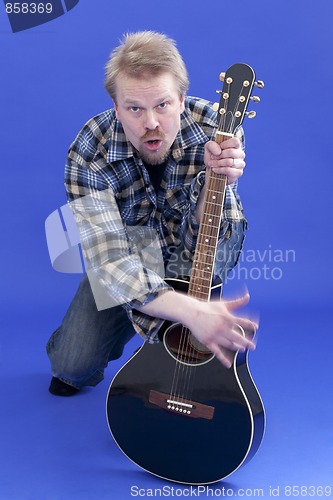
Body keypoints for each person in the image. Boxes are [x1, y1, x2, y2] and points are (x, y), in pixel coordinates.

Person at [46, 31, 257, 397]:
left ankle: (172, 334)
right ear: (116, 107)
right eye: (134, 109)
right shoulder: (87, 152)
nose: (151, 123)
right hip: (126, 252)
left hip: (195, 240)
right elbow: (112, 258)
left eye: (162, 105)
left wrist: (217, 180)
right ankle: (128, 298)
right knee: (70, 365)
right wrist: (189, 312)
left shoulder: (217, 128)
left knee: (186, 328)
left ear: (181, 99)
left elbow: (208, 231)